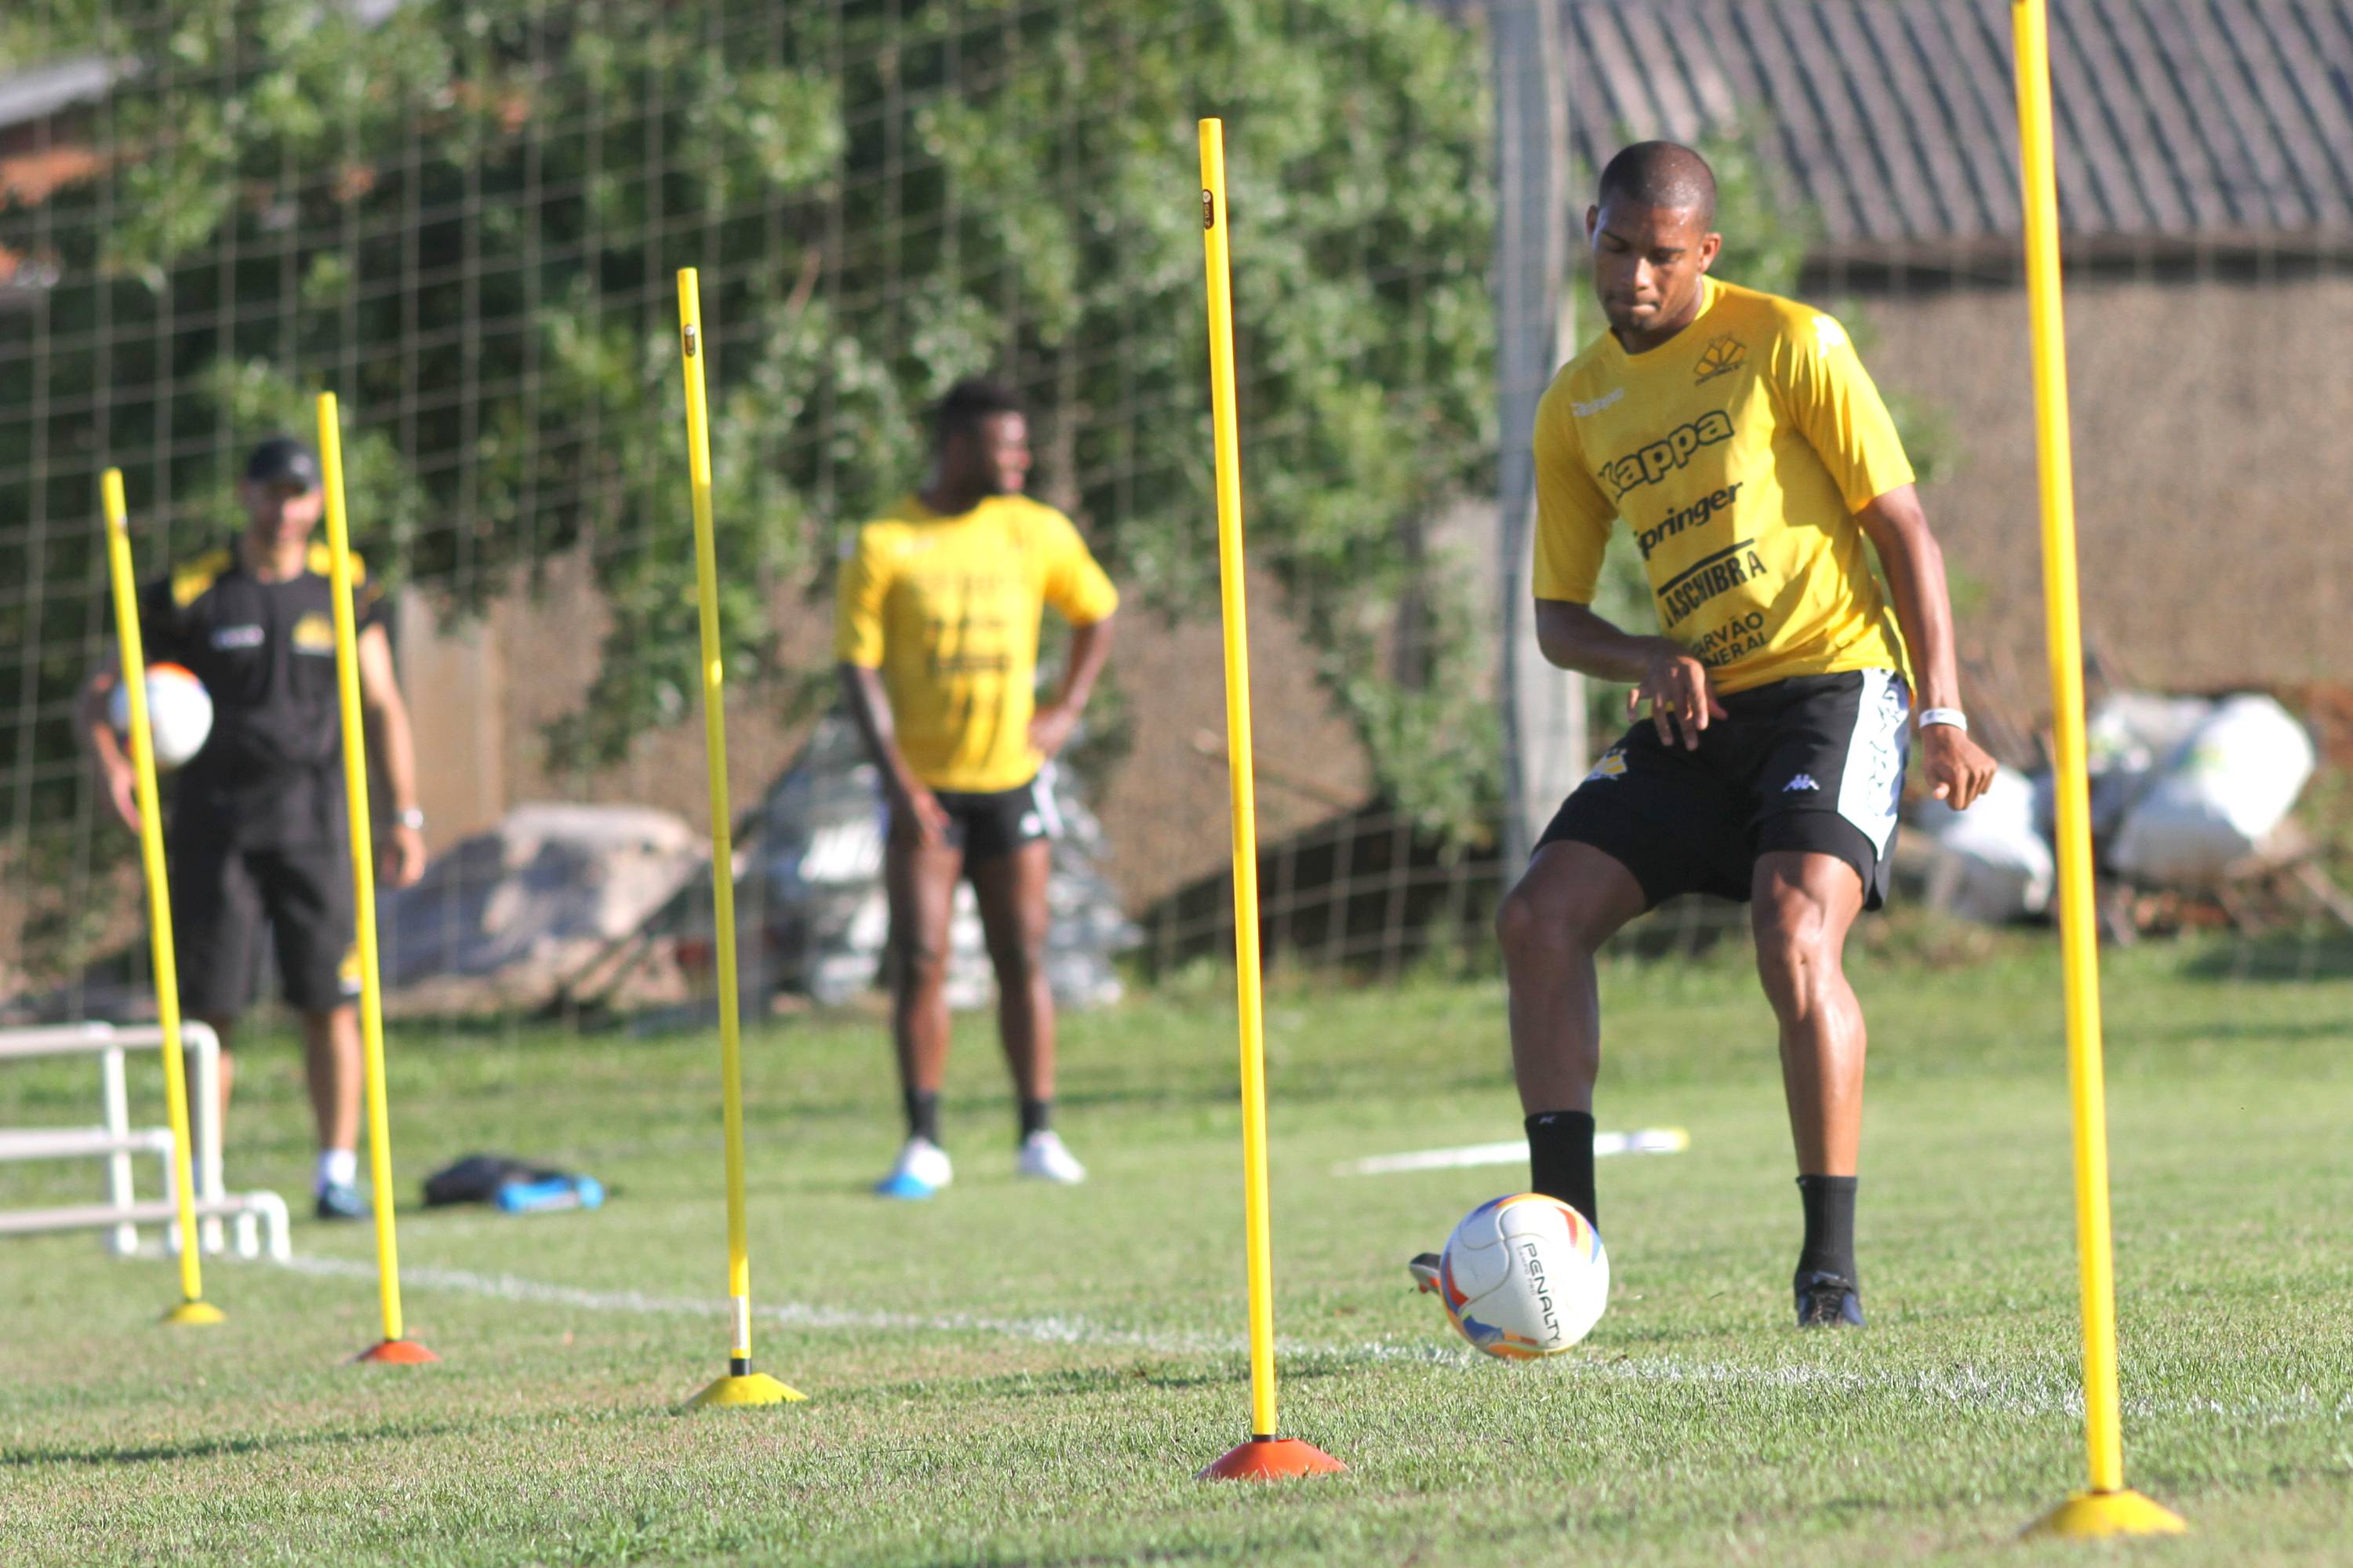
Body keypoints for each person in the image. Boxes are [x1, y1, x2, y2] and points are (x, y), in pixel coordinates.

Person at [1413, 142, 1998, 1326]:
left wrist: (1942, 709)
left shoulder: (1791, 341)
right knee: (1536, 917)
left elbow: (1905, 530)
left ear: (1707, 252)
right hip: (1699, 707)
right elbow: (1558, 620)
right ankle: (1565, 1251)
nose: (1634, 276)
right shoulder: (1574, 404)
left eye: (1663, 257)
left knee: (1793, 934)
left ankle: (1828, 1274)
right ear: (1591, 226)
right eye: (1616, 247)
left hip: (1834, 686)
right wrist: (1647, 656)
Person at [82, 436, 428, 1220]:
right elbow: (99, 692)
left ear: (318, 503)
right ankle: (200, 1180)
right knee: (210, 1013)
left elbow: (382, 703)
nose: (284, 510)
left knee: (331, 1004)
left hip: (319, 828)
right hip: (217, 832)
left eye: (299, 495)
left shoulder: (346, 585)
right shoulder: (192, 592)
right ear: (246, 495)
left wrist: (404, 814)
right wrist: (111, 762)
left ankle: (335, 1173)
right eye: (272, 493)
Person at [835, 378, 1118, 1199]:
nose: (1021, 460)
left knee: (1022, 952)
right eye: (1007, 447)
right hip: (923, 786)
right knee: (921, 956)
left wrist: (1066, 708)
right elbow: (857, 666)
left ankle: (1039, 1133)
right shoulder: (887, 540)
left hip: (1012, 779)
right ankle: (924, 1141)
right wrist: (898, 780)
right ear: (959, 447)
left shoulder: (1037, 529)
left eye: (1023, 445)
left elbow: (1097, 611)